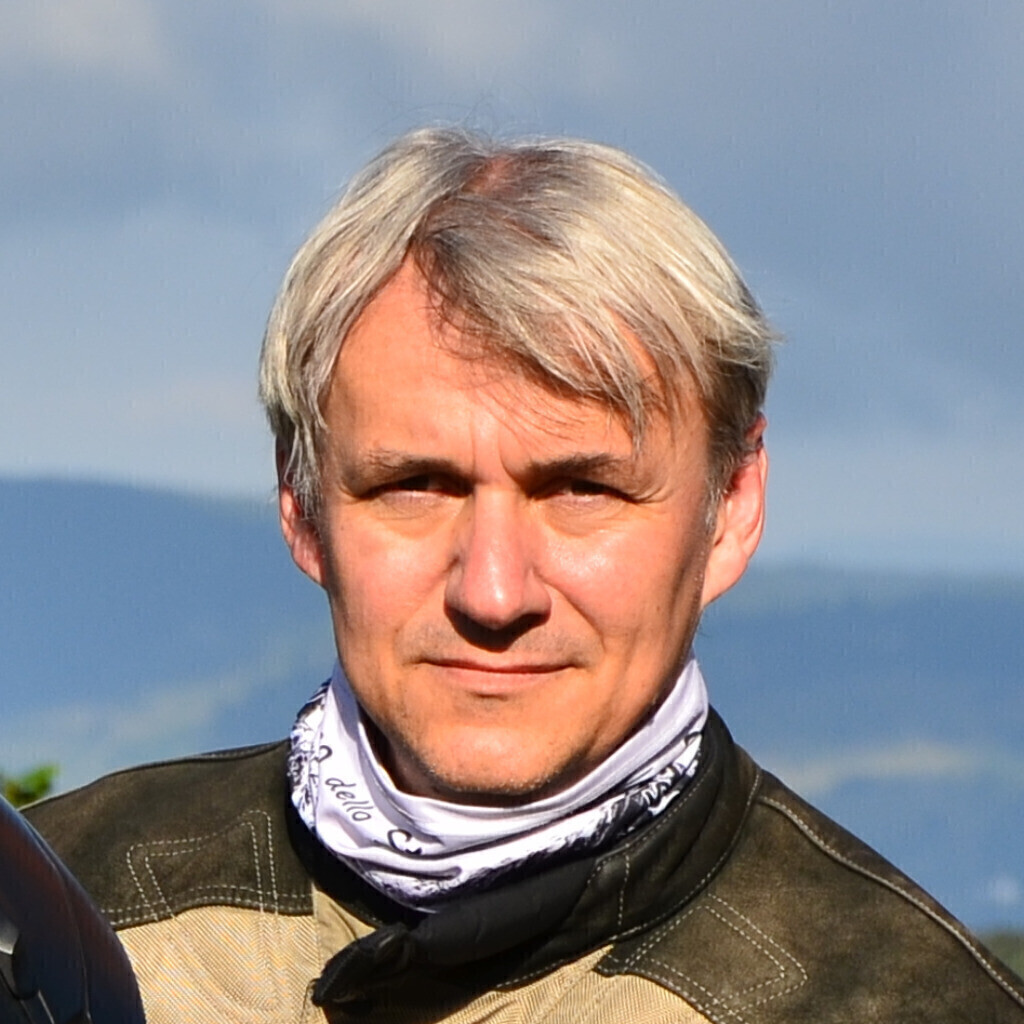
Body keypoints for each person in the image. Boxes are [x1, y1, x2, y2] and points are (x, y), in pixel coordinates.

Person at [26, 128, 1024, 1023]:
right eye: (415, 486)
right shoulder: (48, 914)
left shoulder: (896, 1002)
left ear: (732, 504)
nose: (494, 593)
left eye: (582, 489)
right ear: (300, 501)